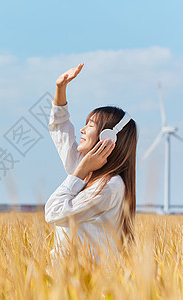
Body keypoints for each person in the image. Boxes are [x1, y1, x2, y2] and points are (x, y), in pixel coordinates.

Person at [45, 63, 137, 261]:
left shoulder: (110, 186)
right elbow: (60, 130)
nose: (82, 130)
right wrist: (60, 88)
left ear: (108, 136)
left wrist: (78, 172)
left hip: (86, 284)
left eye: (90, 125)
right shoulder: (90, 171)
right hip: (67, 281)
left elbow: (54, 212)